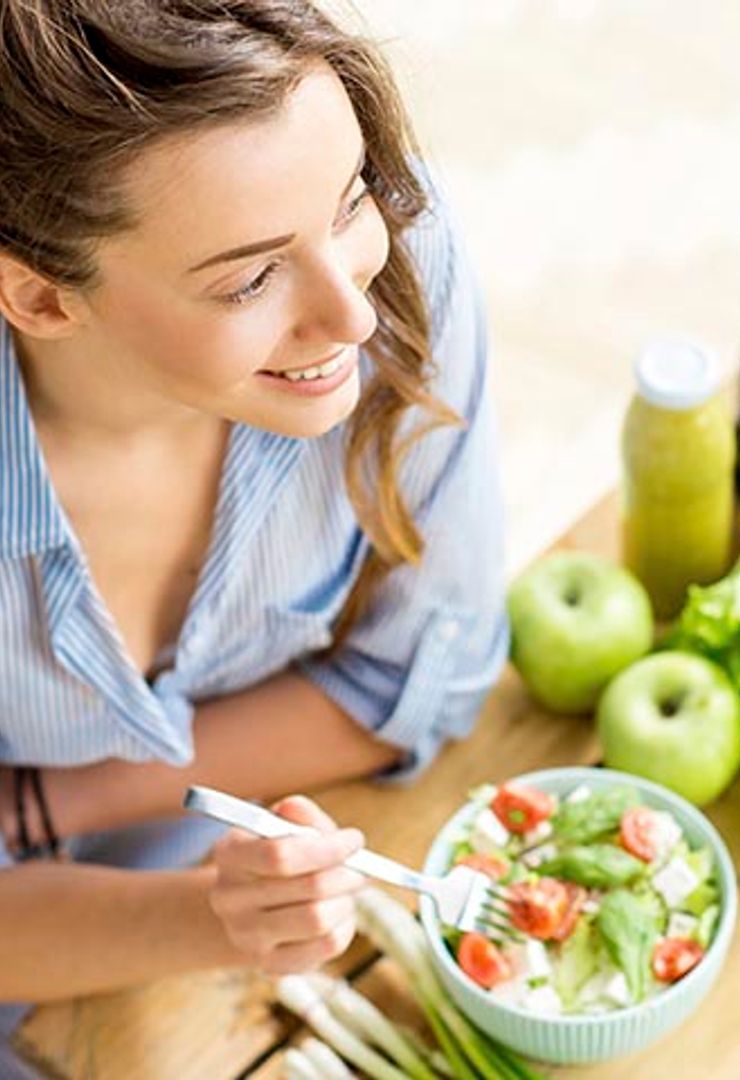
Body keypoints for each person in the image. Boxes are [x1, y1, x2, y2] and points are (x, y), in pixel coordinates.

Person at [0, 0, 507, 1071]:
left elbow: (427, 672)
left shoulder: (397, 269)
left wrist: (55, 801)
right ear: (41, 296)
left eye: (349, 197)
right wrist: (214, 915)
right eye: (248, 278)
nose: (353, 318)